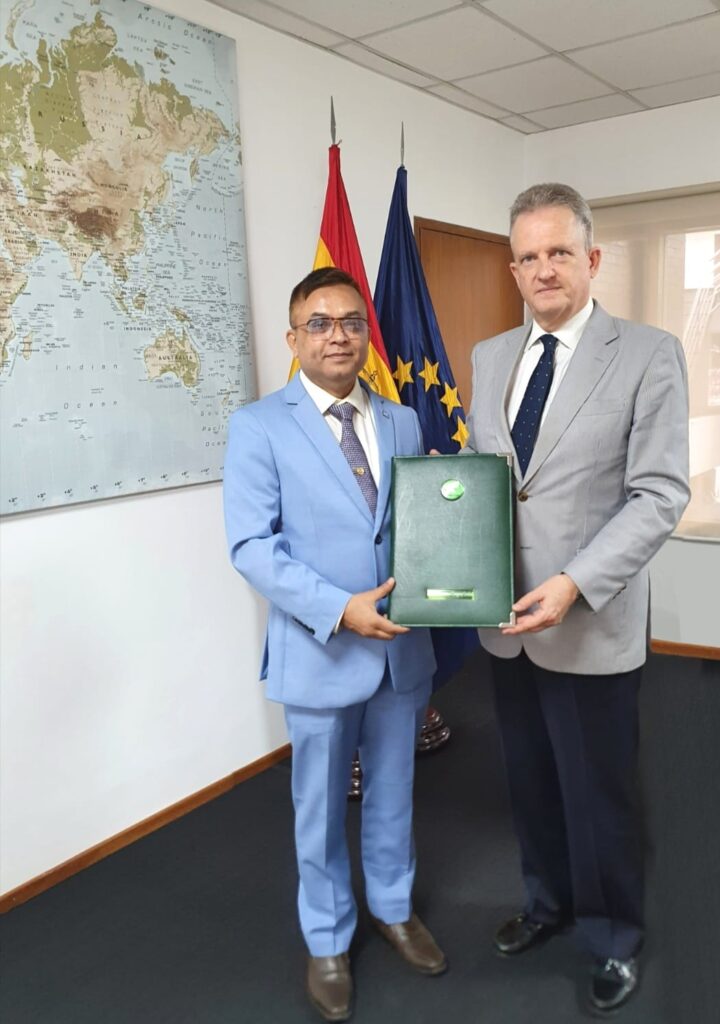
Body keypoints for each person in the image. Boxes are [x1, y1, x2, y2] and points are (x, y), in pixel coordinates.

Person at [464, 183, 690, 1015]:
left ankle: (612, 936)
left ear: (591, 258)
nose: (542, 269)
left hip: (588, 620)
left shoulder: (647, 354)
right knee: (529, 781)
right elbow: (488, 480)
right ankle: (547, 903)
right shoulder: (489, 356)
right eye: (526, 256)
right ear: (512, 269)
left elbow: (659, 494)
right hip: (504, 622)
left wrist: (575, 583)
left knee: (598, 794)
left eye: (558, 252)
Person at [223, 267, 446, 1022]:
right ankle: (326, 939)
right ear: (294, 339)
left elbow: (411, 527)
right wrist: (339, 610)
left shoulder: (403, 421)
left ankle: (393, 908)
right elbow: (252, 547)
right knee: (317, 808)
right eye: (319, 323)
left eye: (352, 321)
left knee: (395, 790)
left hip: (402, 650)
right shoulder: (259, 426)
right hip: (319, 651)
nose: (338, 335)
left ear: (365, 335)